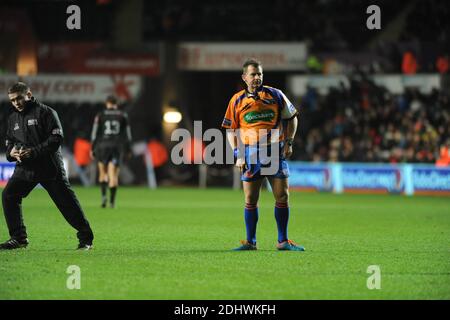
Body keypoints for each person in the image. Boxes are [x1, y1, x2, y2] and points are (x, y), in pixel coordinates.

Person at [222, 58, 305, 251]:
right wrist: (238, 153)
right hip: (250, 154)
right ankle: (251, 242)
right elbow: (230, 130)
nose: (257, 77)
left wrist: (289, 141)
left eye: (259, 73)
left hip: (274, 151)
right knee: (250, 199)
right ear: (244, 77)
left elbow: (292, 118)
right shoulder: (236, 100)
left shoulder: (276, 95)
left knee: (282, 196)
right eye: (253, 74)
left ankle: (283, 241)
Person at [0, 82, 94, 250]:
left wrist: (33, 151)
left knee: (67, 203)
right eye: (13, 100)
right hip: (25, 169)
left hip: (49, 168)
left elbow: (56, 139)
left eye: (19, 98)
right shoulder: (13, 118)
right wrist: (11, 153)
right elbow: (9, 144)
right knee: (9, 195)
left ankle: (86, 239)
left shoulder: (46, 112)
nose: (16, 103)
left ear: (28, 95)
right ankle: (18, 238)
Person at [90, 95, 132, 208]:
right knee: (113, 175)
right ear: (116, 103)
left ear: (107, 103)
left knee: (103, 174)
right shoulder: (123, 115)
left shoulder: (100, 115)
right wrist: (128, 149)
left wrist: (92, 147)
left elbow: (94, 133)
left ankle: (104, 198)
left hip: (103, 145)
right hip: (117, 146)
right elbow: (127, 135)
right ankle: (112, 202)